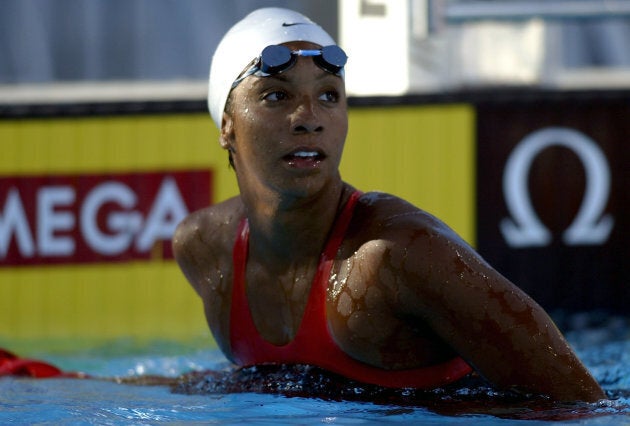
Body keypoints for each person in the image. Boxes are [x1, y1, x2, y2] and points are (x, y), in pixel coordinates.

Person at [172, 7, 605, 402]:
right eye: (275, 96)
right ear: (226, 125)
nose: (310, 116)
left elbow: (584, 407)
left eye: (328, 95)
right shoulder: (205, 248)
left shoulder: (394, 257)